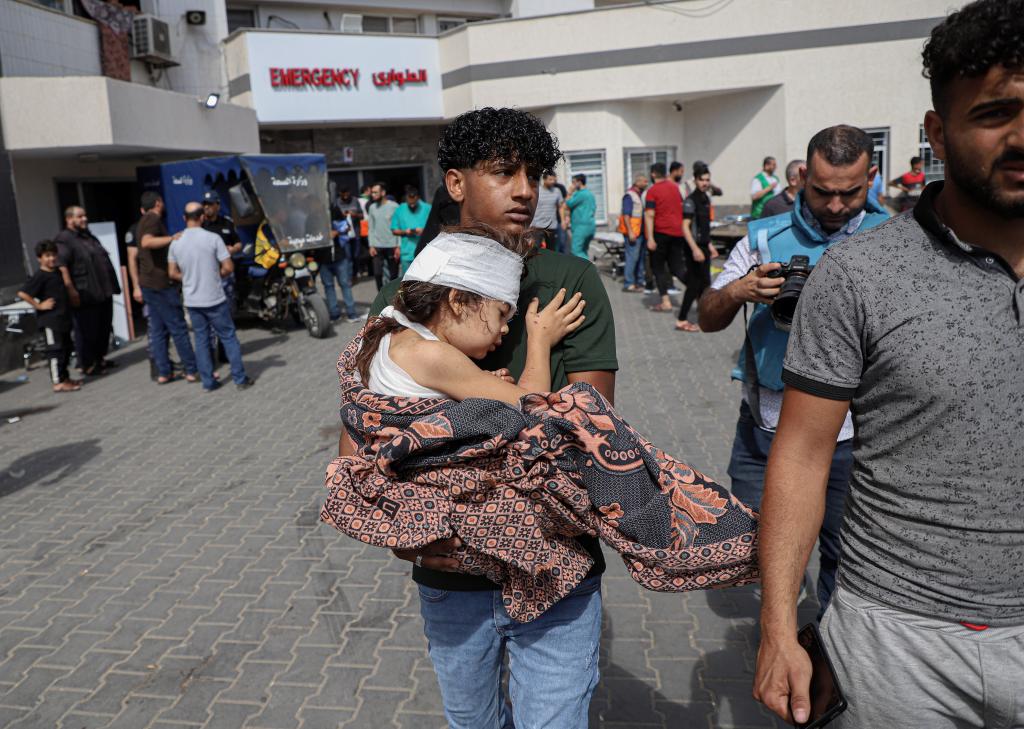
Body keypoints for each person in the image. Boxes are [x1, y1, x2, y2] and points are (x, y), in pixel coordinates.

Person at [754, 3, 1024, 726]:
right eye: (995, 113)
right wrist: (778, 626)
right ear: (937, 132)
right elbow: (803, 453)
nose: (1021, 136)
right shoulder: (859, 273)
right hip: (897, 647)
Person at [365, 106, 617, 729]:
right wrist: (405, 536)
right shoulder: (404, 301)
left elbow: (589, 434)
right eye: (505, 172)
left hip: (556, 573)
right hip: (451, 579)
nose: (526, 190)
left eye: (536, 175)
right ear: (456, 183)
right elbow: (363, 445)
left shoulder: (569, 283)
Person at [698, 125, 889, 616]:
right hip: (766, 426)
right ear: (803, 176)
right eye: (822, 191)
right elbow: (707, 316)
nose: (835, 205)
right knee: (761, 542)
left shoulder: (892, 239)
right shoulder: (764, 238)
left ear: (871, 177)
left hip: (854, 433)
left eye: (850, 192)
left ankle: (828, 645)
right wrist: (739, 291)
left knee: (844, 554)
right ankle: (780, 622)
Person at [167, 202, 254, 392]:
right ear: (202, 217)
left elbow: (172, 273)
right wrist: (215, 275)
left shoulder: (176, 242)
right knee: (228, 337)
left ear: (184, 218)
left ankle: (208, 382)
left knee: (201, 340)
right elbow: (228, 267)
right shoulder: (213, 239)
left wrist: (188, 278)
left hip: (192, 300)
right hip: (214, 298)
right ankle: (239, 379)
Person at [136, 192, 199, 385]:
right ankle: (191, 370)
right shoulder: (152, 219)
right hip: (160, 284)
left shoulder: (142, 221)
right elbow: (147, 241)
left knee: (158, 330)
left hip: (148, 283)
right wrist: (172, 238)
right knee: (178, 327)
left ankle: (164, 372)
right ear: (158, 203)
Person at [53, 206, 121, 377]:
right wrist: (71, 290)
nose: (84, 219)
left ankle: (99, 358)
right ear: (69, 219)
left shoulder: (88, 236)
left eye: (85, 215)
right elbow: (61, 265)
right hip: (85, 292)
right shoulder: (64, 239)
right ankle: (87, 364)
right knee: (87, 330)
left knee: (103, 327)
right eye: (80, 216)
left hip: (102, 290)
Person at [18, 240, 81, 393]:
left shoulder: (57, 272)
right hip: (50, 321)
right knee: (55, 351)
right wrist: (39, 305)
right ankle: (57, 382)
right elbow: (23, 293)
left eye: (53, 255)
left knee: (66, 349)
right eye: (47, 256)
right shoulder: (40, 276)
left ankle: (65, 377)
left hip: (63, 319)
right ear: (39, 258)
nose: (51, 258)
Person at [676, 163, 718, 332]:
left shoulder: (705, 199)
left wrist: (709, 245)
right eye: (702, 180)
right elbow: (685, 227)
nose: (705, 183)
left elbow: (703, 227)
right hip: (693, 248)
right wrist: (695, 249)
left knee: (706, 283)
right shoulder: (690, 200)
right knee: (694, 284)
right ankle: (681, 319)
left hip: (703, 246)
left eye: (707, 180)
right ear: (695, 180)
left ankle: (704, 317)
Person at [644, 162, 691, 312]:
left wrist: (650, 238)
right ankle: (698, 291)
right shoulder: (675, 188)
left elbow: (650, 215)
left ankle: (666, 302)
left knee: (658, 268)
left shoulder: (652, 191)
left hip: (660, 233)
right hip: (677, 233)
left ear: (653, 174)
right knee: (677, 268)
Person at [317, 207, 359, 323]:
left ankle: (351, 313)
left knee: (345, 284)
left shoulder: (333, 209)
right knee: (328, 286)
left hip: (339, 256)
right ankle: (334, 314)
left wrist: (337, 232)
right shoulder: (312, 217)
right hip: (322, 259)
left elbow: (347, 226)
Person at [391, 185, 432, 275]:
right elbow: (394, 230)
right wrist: (405, 232)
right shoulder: (400, 209)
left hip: (425, 252)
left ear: (418, 198)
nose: (412, 205)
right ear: (406, 198)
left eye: (414, 203)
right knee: (407, 280)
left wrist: (424, 231)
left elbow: (436, 227)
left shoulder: (427, 208)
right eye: (410, 203)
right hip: (407, 253)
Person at [618, 173, 648, 292]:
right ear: (637, 182)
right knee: (632, 258)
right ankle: (628, 283)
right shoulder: (629, 196)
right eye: (644, 181)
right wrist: (630, 232)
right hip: (633, 233)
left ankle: (640, 282)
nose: (646, 183)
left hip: (640, 233)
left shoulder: (640, 195)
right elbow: (626, 215)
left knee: (640, 259)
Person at [367, 181, 400, 290]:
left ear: (383, 192)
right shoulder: (372, 207)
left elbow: (399, 227)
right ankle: (381, 296)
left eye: (375, 192)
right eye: (372, 192)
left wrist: (398, 246)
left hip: (392, 245)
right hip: (377, 245)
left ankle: (393, 296)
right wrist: (371, 245)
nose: (373, 195)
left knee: (393, 275)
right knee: (377, 274)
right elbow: (371, 228)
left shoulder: (394, 206)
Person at [565, 173, 596, 260]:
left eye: (573, 182)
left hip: (581, 227)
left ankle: (589, 266)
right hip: (590, 226)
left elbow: (568, 204)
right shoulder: (590, 194)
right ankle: (586, 266)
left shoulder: (580, 194)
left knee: (576, 251)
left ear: (579, 182)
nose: (572, 185)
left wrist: (569, 193)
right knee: (583, 250)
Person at [532, 172, 566, 250]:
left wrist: (563, 221)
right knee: (535, 249)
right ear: (544, 179)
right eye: (550, 179)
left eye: (554, 180)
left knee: (551, 250)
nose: (553, 182)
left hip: (551, 226)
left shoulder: (557, 191)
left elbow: (561, 207)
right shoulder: (537, 190)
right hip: (537, 226)